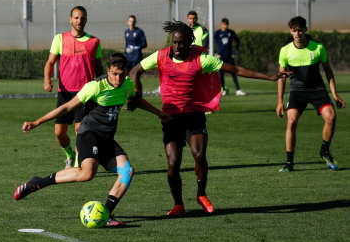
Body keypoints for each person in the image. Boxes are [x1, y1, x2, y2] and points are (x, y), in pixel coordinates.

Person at [129, 19, 291, 216]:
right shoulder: (162, 56)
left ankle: (201, 194)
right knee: (172, 164)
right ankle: (178, 204)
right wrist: (137, 93)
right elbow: (134, 71)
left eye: (181, 42)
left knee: (199, 155)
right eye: (174, 42)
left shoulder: (202, 59)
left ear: (189, 42)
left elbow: (236, 69)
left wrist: (269, 77)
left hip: (194, 115)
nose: (177, 46)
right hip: (170, 118)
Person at [14, 53, 172, 226]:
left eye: (121, 73)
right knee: (88, 173)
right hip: (89, 133)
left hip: (106, 138)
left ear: (126, 71)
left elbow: (136, 100)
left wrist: (159, 113)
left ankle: (107, 213)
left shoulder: (128, 84)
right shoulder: (95, 87)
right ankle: (37, 183)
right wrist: (37, 122)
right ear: (108, 71)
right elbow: (66, 106)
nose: (118, 78)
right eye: (114, 73)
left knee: (127, 172)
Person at [277, 16, 345, 173]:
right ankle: (289, 162)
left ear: (305, 30)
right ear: (290, 32)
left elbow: (328, 71)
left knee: (331, 117)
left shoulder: (318, 48)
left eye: (300, 30)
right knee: (291, 122)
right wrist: (280, 101)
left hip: (317, 90)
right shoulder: (285, 50)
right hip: (297, 91)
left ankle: (325, 151)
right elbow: (281, 77)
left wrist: (334, 93)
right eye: (294, 31)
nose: (297, 33)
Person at [43, 6, 104, 169]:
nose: (79, 21)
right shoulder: (60, 39)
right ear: (70, 19)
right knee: (59, 133)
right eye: (76, 18)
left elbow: (99, 68)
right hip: (64, 92)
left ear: (86, 20)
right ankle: (69, 154)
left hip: (85, 93)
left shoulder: (94, 42)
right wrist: (47, 78)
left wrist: (102, 87)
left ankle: (78, 163)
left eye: (82, 18)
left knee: (80, 130)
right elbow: (50, 62)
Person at [214, 18, 245, 96]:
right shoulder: (217, 33)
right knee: (221, 74)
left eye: (227, 24)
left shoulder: (231, 33)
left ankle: (238, 90)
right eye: (224, 24)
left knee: (234, 72)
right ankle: (223, 89)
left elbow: (237, 41)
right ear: (221, 24)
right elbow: (210, 41)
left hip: (229, 57)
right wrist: (215, 52)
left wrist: (236, 51)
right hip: (221, 57)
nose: (226, 26)